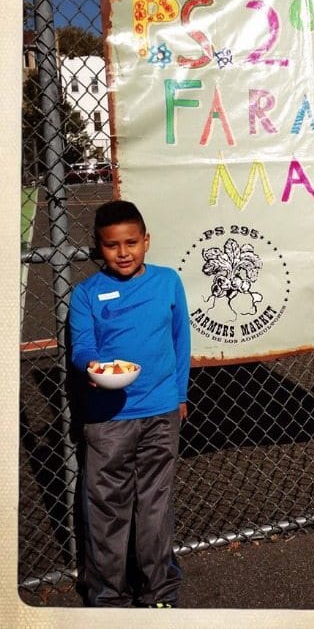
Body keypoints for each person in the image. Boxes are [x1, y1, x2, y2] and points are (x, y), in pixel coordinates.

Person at [68, 200, 191, 607]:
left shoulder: (168, 282)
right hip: (108, 418)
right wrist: (93, 365)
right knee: (107, 507)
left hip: (160, 412)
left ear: (146, 241)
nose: (123, 253)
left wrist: (179, 395)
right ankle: (108, 596)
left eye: (132, 242)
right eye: (112, 245)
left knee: (156, 503)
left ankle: (160, 590)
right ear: (98, 248)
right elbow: (82, 347)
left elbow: (179, 341)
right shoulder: (86, 295)